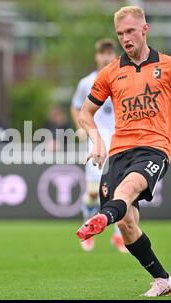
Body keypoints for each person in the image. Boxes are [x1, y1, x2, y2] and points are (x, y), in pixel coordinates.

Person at [75, 6, 171, 297]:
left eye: (131, 31)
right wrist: (97, 141)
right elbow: (86, 113)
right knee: (128, 223)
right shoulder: (110, 73)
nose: (125, 38)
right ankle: (163, 280)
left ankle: (100, 220)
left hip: (154, 149)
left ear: (144, 30)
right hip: (119, 153)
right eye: (121, 33)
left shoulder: (170, 67)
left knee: (127, 189)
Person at [71, 39, 126, 253]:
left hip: (119, 140)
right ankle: (88, 231)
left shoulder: (123, 77)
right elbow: (77, 107)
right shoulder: (87, 82)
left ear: (115, 55)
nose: (106, 57)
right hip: (96, 141)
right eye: (102, 53)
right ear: (96, 56)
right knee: (94, 193)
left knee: (121, 191)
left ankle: (119, 236)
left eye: (109, 52)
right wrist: (81, 128)